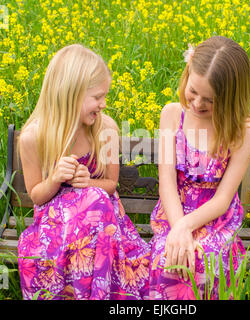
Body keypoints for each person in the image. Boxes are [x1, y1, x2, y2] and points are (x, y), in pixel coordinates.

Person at [17, 44, 150, 300]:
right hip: (57, 226)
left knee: (96, 199)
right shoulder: (35, 137)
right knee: (93, 203)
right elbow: (36, 196)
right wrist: (55, 179)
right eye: (98, 97)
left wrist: (89, 182)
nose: (103, 104)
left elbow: (111, 184)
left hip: (103, 222)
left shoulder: (105, 128)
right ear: (71, 94)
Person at [148, 36, 250, 300]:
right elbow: (166, 183)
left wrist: (188, 226)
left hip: (214, 218)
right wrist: (178, 229)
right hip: (174, 211)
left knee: (202, 263)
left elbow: (223, 199)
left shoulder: (243, 131)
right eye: (193, 91)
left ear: (231, 98)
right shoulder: (172, 114)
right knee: (169, 260)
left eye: (209, 100)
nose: (197, 104)